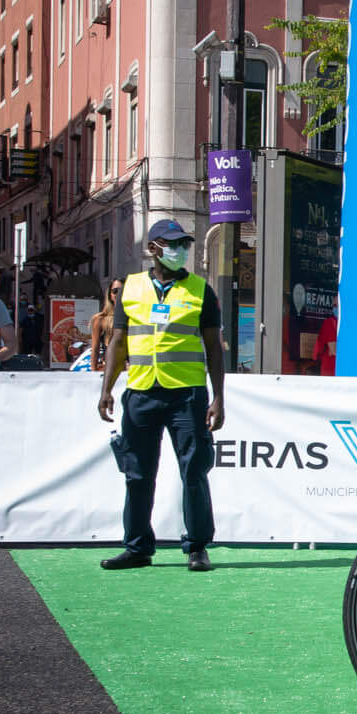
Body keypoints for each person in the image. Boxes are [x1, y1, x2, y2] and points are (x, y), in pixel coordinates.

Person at [96, 219, 225, 572]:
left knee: (194, 471)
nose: (180, 250)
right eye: (172, 244)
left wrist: (218, 397)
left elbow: (214, 348)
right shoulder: (132, 288)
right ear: (153, 248)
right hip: (140, 393)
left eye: (184, 244)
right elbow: (118, 342)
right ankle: (137, 547)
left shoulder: (201, 290)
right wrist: (106, 389)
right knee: (137, 473)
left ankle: (197, 546)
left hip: (186, 395)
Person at [89, 277, 124, 365]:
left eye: (122, 291)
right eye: (115, 291)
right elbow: (95, 349)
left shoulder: (134, 317)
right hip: (110, 367)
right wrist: (94, 370)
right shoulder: (100, 319)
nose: (119, 294)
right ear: (110, 295)